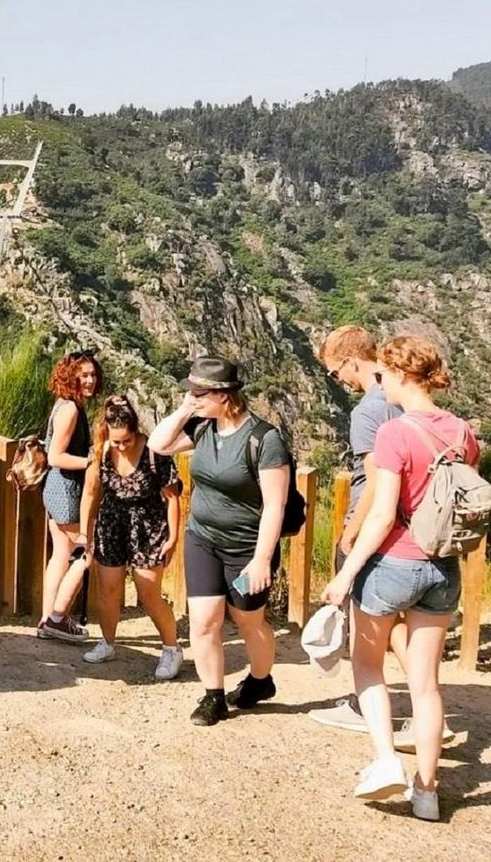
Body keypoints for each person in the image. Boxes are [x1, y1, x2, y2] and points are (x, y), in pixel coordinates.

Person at [322, 336, 478, 821]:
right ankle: (427, 793)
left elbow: (384, 513)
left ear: (402, 375)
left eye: (385, 375)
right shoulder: (463, 432)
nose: (380, 384)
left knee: (367, 664)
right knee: (426, 683)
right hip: (443, 567)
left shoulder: (395, 434)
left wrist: (346, 573)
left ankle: (386, 759)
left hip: (393, 564)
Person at [149, 356, 288, 726]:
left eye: (200, 392)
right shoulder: (201, 428)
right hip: (203, 538)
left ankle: (260, 681)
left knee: (249, 622)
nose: (193, 397)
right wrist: (184, 409)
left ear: (225, 395)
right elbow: (159, 444)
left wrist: (262, 559)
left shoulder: (264, 439)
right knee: (204, 622)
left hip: (247, 546)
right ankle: (213, 696)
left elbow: (275, 506)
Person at [310, 325, 404, 733]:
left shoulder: (368, 409)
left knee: (365, 620)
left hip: (372, 524)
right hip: (404, 526)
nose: (339, 381)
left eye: (335, 372)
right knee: (392, 618)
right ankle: (419, 691)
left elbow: (373, 475)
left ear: (352, 361)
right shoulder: (399, 400)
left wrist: (352, 529)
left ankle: (364, 702)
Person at [78, 395, 184, 678]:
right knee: (108, 590)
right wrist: (83, 534)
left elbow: (172, 497)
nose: (122, 446)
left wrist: (173, 537)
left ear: (135, 431)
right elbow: (90, 494)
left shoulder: (154, 452)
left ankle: (171, 648)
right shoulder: (99, 453)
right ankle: (108, 641)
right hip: (112, 523)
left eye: (126, 440)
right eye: (116, 442)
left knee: (148, 593)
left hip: (148, 526)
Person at [37, 349, 103, 642]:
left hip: (56, 488)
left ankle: (47, 620)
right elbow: (55, 456)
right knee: (86, 552)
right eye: (84, 375)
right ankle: (57, 618)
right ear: (70, 376)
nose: (90, 380)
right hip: (66, 489)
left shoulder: (64, 404)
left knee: (60, 555)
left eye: (93, 374)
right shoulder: (71, 410)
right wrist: (92, 461)